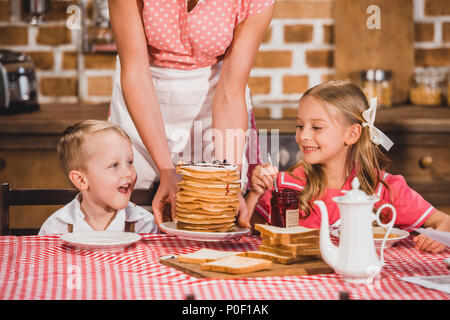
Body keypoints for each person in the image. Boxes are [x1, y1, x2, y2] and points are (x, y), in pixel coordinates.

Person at [107, 0, 275, 229]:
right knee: (136, 211)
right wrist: (166, 170)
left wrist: (229, 182)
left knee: (210, 209)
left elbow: (230, 93)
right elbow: (135, 73)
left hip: (212, 102)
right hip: (143, 100)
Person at [246, 80, 450, 253]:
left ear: (352, 134)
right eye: (300, 125)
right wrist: (255, 192)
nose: (303, 135)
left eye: (317, 127)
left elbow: (444, 221)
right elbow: (247, 229)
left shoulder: (385, 189)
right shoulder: (287, 186)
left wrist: (439, 236)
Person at [39, 120, 159, 235]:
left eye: (130, 162)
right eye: (114, 165)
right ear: (80, 180)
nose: (127, 173)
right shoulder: (56, 228)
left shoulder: (145, 226)